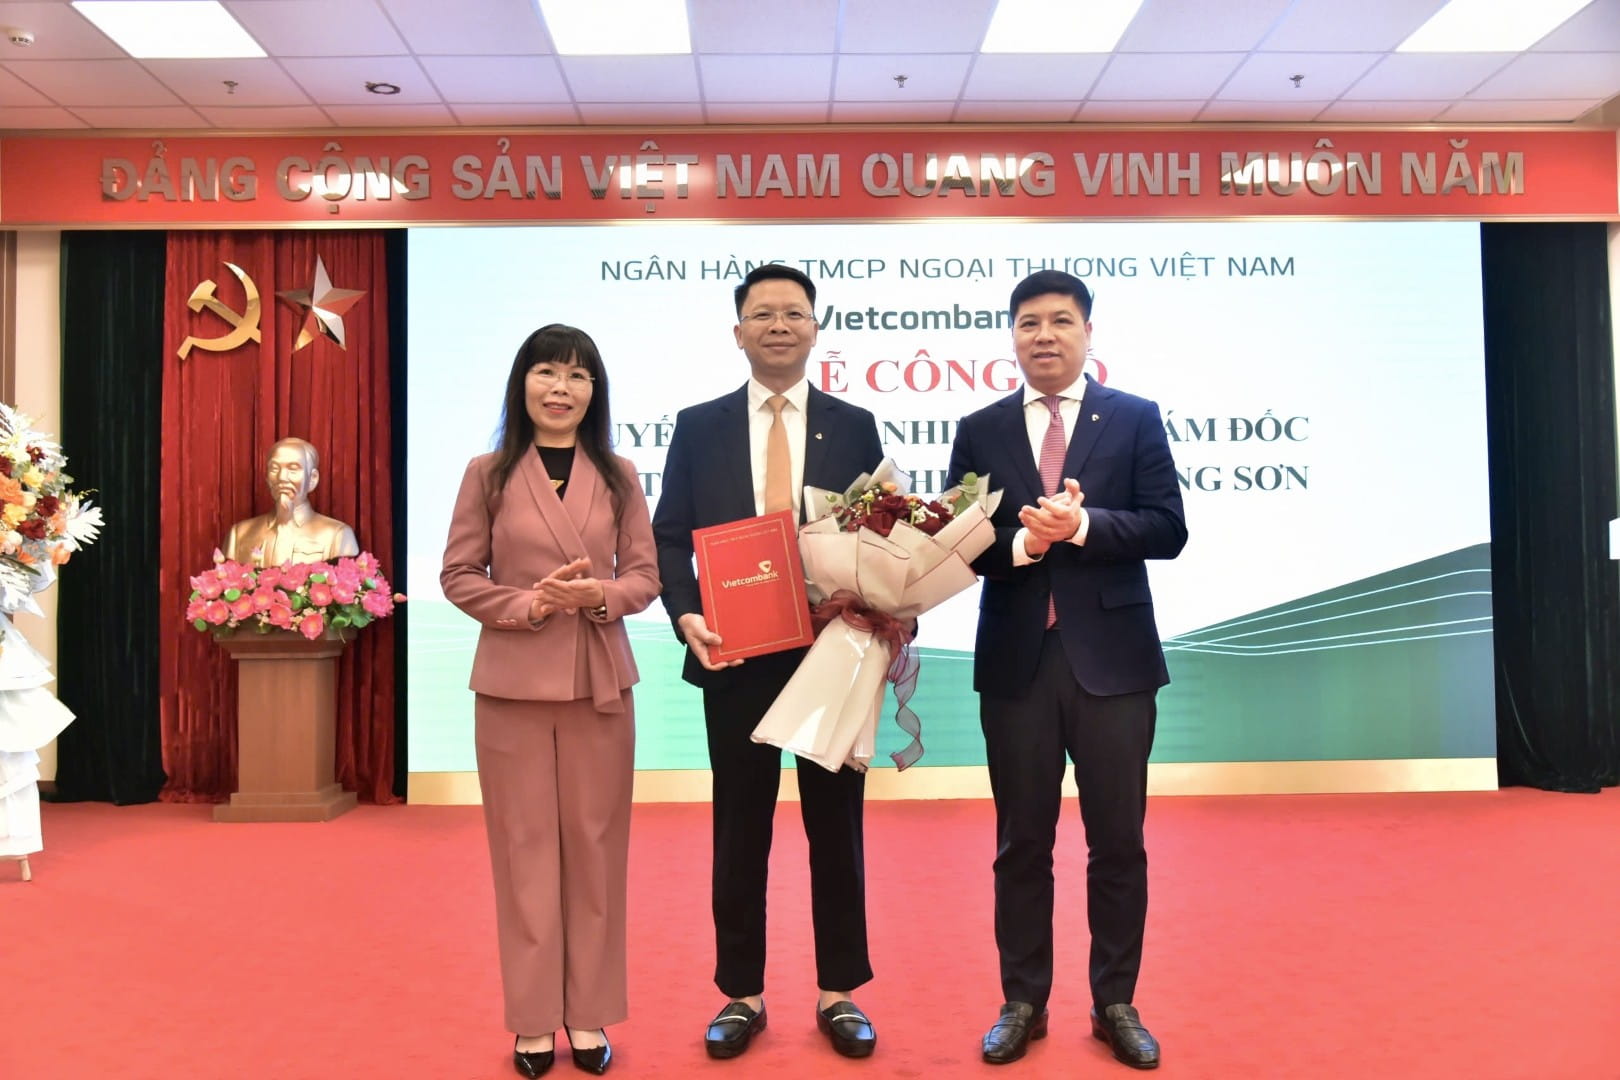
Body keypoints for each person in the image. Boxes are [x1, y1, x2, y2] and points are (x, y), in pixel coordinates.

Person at [945, 270, 1187, 1071]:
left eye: (1060, 321)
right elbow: (960, 543)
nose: (1043, 335)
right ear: (1012, 337)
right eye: (1028, 323)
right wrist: (1026, 543)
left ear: (1088, 332)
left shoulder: (1135, 417)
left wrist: (1082, 526)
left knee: (1118, 843)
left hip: (1114, 664)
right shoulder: (979, 430)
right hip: (1017, 663)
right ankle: (1023, 1001)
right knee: (1021, 843)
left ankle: (1116, 1001)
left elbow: (1168, 528)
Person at [652, 264, 885, 1060]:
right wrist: (685, 612)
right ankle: (741, 994)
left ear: (816, 328)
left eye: (793, 313)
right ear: (738, 332)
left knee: (836, 827)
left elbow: (880, 532)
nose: (778, 325)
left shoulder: (855, 424)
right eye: (762, 314)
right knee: (740, 825)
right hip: (736, 654)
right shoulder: (700, 425)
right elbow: (669, 534)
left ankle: (840, 991)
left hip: (833, 651)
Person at [441, 324, 660, 1079]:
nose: (561, 388)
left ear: (595, 392)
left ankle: (589, 1013)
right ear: (522, 383)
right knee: (525, 852)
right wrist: (529, 605)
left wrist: (598, 595)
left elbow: (645, 575)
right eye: (546, 372)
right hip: (512, 687)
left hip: (601, 686)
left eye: (577, 375)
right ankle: (534, 1020)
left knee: (596, 851)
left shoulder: (620, 474)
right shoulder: (487, 473)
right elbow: (458, 575)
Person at [222, 437, 359, 566]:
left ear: (312, 479)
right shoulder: (239, 534)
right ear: (267, 478)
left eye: (293, 469)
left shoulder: (338, 535)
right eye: (274, 468)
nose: (282, 477)